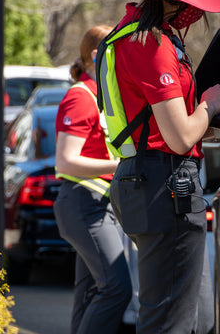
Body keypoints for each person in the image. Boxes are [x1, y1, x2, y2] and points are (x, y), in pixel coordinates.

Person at [104, 0, 220, 333]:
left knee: (192, 317)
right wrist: (210, 105)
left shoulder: (130, 32)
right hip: (165, 188)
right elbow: (180, 137)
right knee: (171, 323)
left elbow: (160, 126)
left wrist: (209, 122)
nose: (198, 12)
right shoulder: (153, 44)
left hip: (148, 184)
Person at [54, 25, 132, 334]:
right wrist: (119, 165)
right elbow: (65, 160)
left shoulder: (100, 96)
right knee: (116, 288)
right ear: (99, 56)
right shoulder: (82, 97)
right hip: (84, 206)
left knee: (90, 294)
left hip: (96, 207)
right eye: (122, 53)